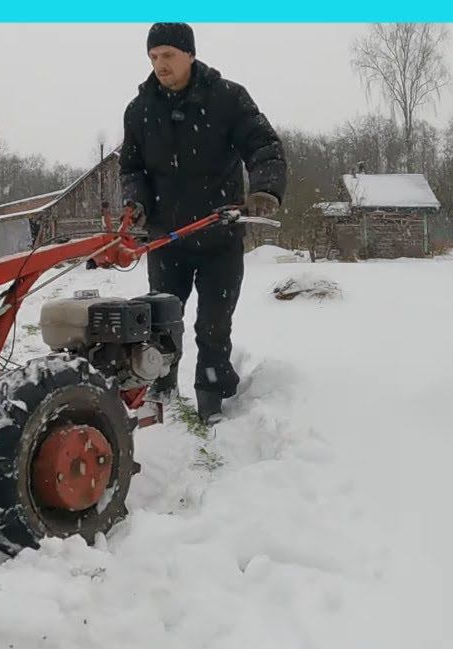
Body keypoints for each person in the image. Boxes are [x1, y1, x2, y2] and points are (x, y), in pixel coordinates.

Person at [119, 22, 287, 422]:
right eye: (154, 57)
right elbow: (132, 169)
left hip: (218, 235)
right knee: (162, 323)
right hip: (167, 238)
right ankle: (158, 388)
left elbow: (264, 145)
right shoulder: (140, 110)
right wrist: (135, 204)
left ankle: (210, 393)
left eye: (169, 56)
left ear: (190, 55)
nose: (161, 65)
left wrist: (265, 190)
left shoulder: (227, 98)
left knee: (213, 323)